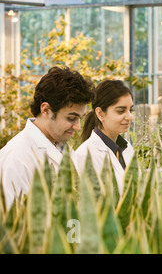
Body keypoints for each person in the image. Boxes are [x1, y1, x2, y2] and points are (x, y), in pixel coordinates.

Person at [0, 66, 95, 209]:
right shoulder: (15, 158)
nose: (78, 127)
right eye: (71, 118)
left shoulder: (64, 148)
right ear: (46, 110)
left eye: (80, 119)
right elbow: (13, 226)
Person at [75, 80, 134, 193]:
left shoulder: (126, 148)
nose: (129, 116)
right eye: (121, 111)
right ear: (100, 114)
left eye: (131, 110)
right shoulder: (84, 155)